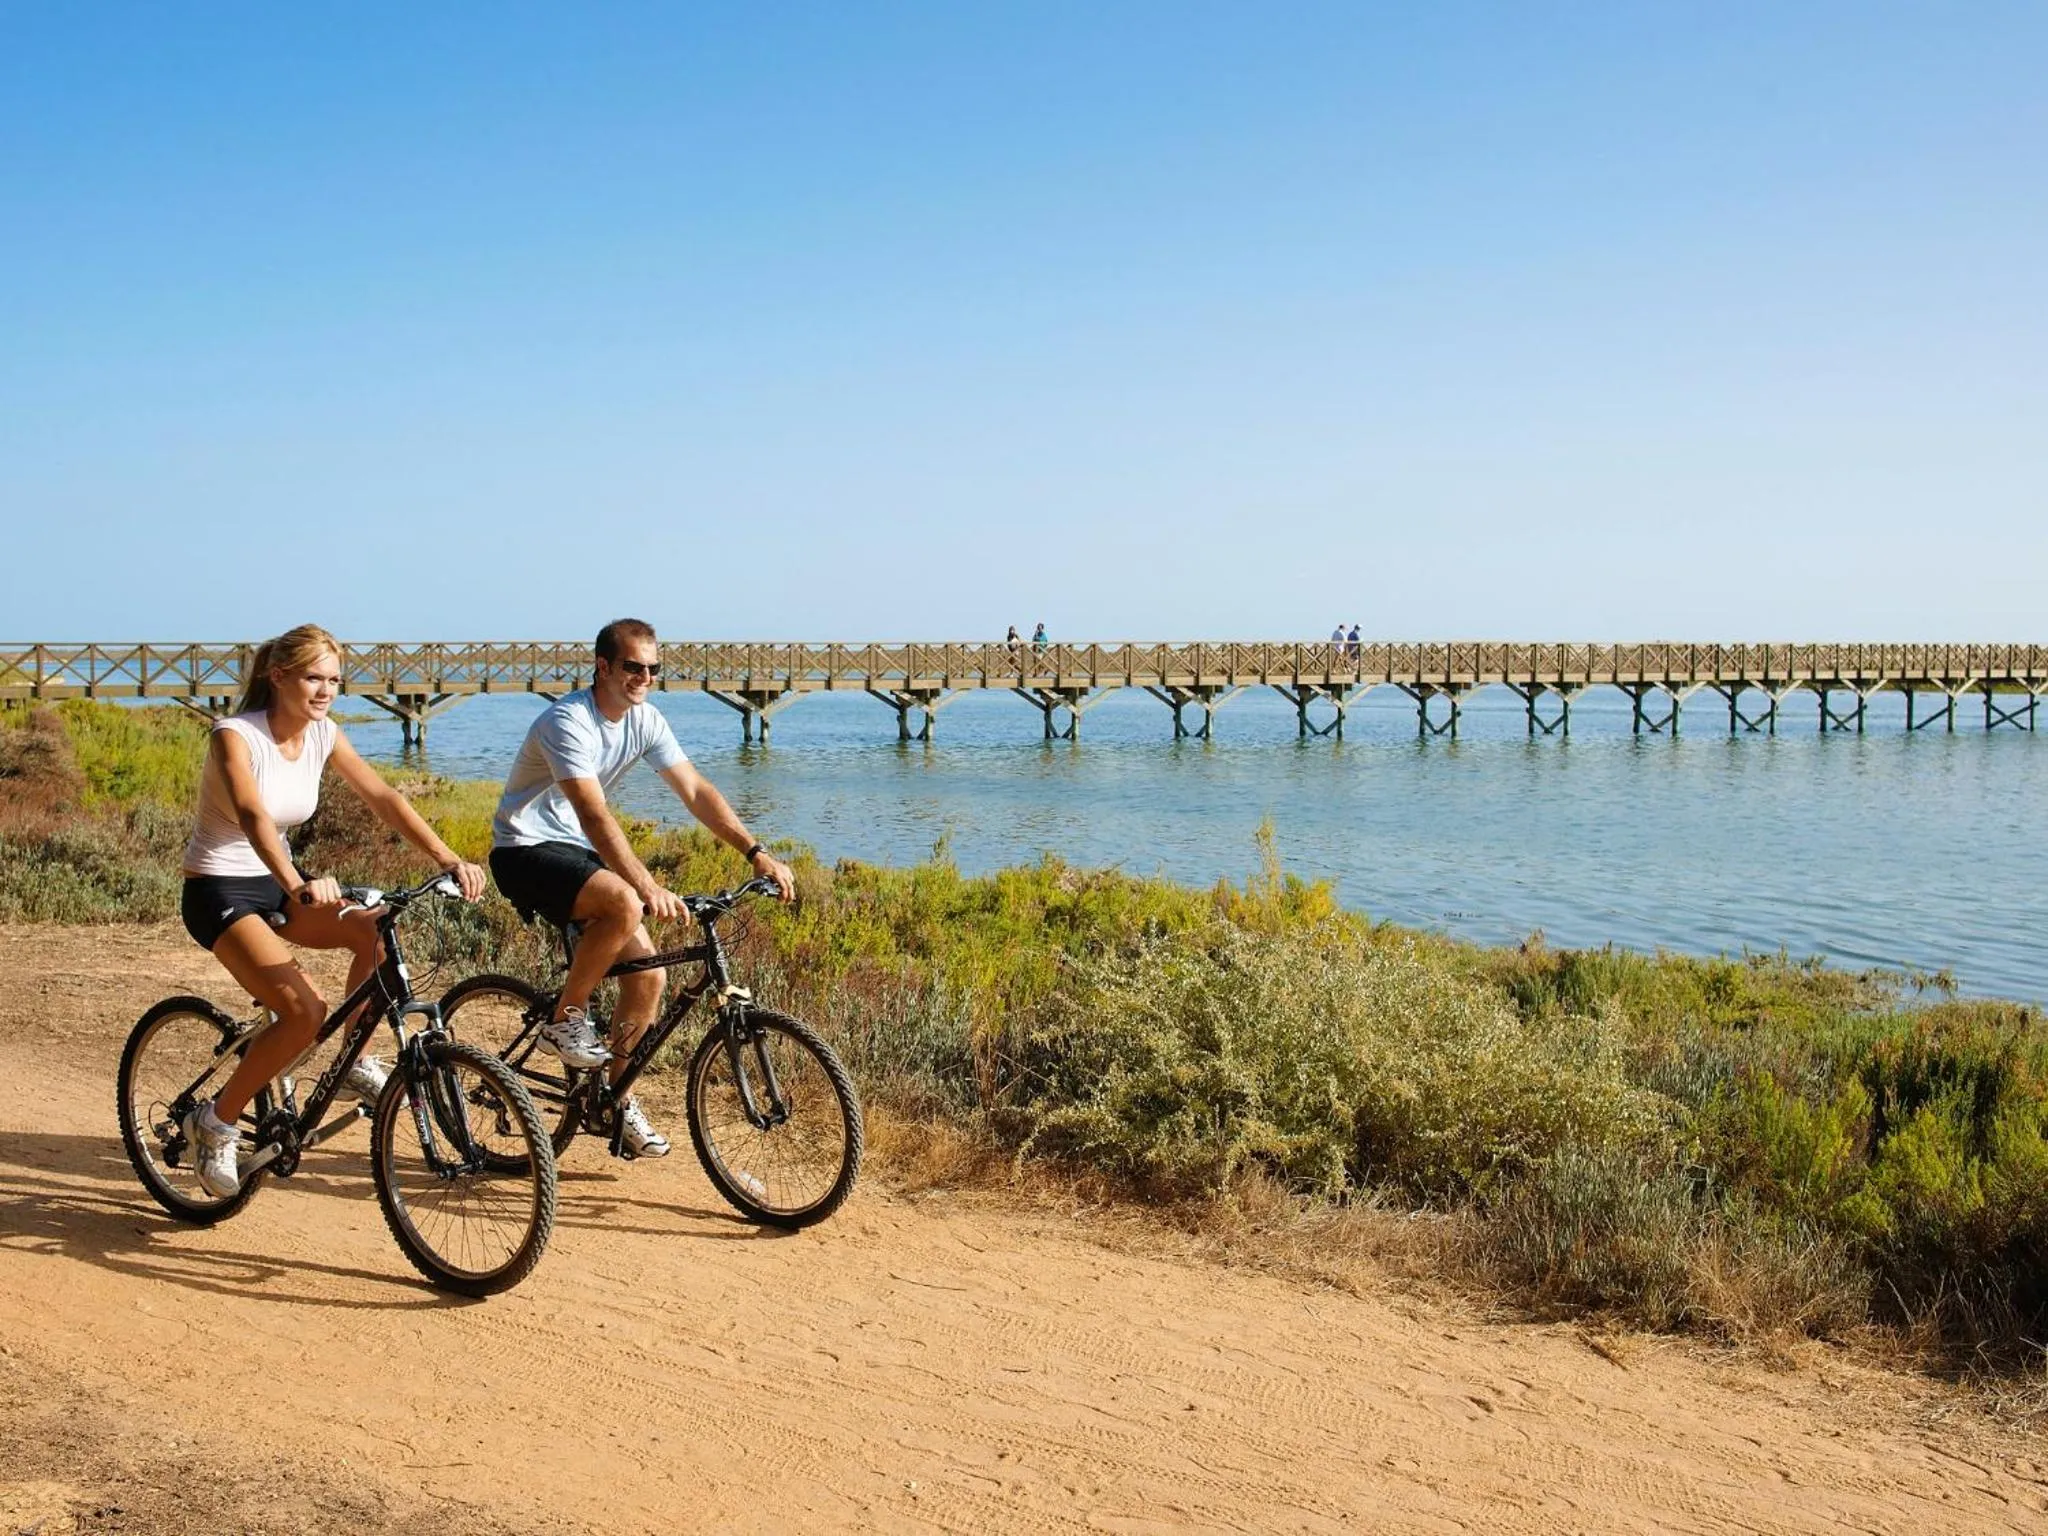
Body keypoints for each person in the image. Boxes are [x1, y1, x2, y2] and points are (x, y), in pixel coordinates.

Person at [179, 624, 489, 1198]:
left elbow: (385, 797)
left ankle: (355, 1061)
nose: (326, 690)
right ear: (278, 676)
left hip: (279, 886)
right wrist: (298, 882)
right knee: (302, 1012)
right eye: (313, 677)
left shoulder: (323, 732)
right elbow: (251, 816)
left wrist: (448, 857)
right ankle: (215, 1122)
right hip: (220, 889)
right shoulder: (235, 736)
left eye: (334, 680)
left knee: (375, 932)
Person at [488, 618, 796, 1157]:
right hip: (523, 848)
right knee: (624, 903)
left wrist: (755, 851)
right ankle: (565, 1021)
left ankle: (614, 1099)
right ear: (603, 667)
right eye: (633, 667)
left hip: (573, 854)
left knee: (649, 979)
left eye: (653, 669)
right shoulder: (568, 721)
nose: (644, 677)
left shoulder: (646, 720)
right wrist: (646, 884)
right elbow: (592, 812)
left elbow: (695, 790)